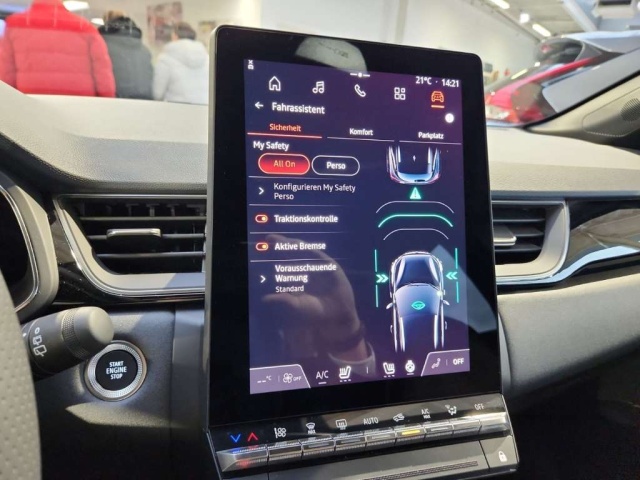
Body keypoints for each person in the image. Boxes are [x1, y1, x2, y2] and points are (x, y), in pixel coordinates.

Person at [0, 0, 115, 97]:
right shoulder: (86, 28)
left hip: (31, 103)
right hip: (79, 104)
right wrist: (106, 104)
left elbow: (5, 75)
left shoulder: (14, 25)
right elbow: (103, 75)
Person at [98, 11, 153, 100]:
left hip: (116, 101)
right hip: (146, 101)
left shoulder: (103, 46)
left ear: (106, 22)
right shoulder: (144, 49)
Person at [153, 21, 208, 105]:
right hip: (203, 108)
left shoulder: (165, 58)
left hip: (176, 109)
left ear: (174, 36)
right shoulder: (206, 57)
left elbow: (157, 93)